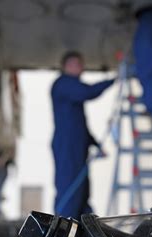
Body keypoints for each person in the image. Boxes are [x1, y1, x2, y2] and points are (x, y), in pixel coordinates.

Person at [51, 51, 114, 219]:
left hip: (78, 148)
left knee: (82, 193)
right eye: (75, 63)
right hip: (67, 147)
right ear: (65, 66)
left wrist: (96, 144)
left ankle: (86, 229)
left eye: (81, 64)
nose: (80, 67)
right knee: (69, 191)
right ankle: (62, 230)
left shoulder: (73, 88)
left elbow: (81, 126)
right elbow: (88, 92)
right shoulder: (63, 84)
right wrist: (113, 80)